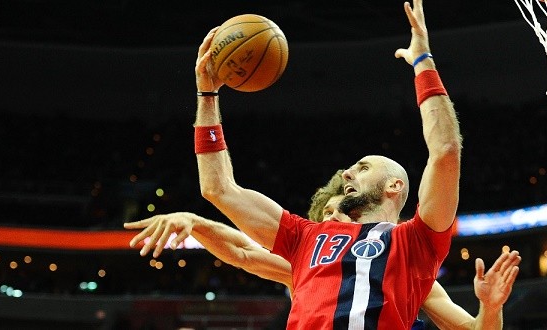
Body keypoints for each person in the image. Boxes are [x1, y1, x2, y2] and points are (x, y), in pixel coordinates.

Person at [193, 0, 462, 327]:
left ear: (395, 185)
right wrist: (207, 95)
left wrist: (422, 61)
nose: (347, 172)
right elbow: (217, 188)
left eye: (363, 167)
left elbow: (446, 150)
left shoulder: (415, 243)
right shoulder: (304, 237)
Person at [125, 170, 521, 329]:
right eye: (325, 214)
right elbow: (243, 251)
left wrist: (490, 307)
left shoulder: (405, 264)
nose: (333, 218)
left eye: (339, 210)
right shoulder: (311, 260)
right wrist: (196, 222)